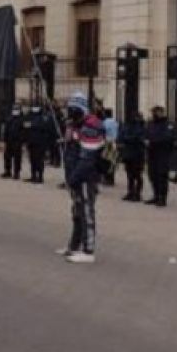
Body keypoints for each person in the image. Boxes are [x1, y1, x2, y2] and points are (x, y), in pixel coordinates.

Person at [57, 92, 105, 263]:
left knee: (86, 212)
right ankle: (74, 246)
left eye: (72, 109)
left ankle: (88, 250)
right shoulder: (75, 125)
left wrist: (74, 178)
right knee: (77, 212)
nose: (69, 113)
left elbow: (87, 158)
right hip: (75, 177)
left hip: (85, 178)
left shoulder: (91, 126)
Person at [144, 106, 177, 207]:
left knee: (161, 175)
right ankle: (156, 195)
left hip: (162, 153)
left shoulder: (168, 125)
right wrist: (146, 141)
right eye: (153, 112)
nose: (154, 114)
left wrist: (153, 141)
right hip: (151, 153)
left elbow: (168, 138)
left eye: (156, 112)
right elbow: (146, 134)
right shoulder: (150, 124)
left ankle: (162, 198)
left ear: (161, 113)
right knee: (152, 175)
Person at [118, 112, 146, 202]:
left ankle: (137, 194)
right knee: (130, 175)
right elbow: (121, 137)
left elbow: (137, 138)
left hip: (137, 154)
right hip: (128, 154)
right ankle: (130, 192)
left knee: (137, 174)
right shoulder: (127, 126)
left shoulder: (141, 127)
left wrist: (127, 138)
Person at [25, 105, 52, 184]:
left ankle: (40, 177)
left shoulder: (43, 118)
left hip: (40, 143)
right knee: (32, 159)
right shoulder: (30, 117)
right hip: (32, 142)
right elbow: (25, 126)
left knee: (39, 160)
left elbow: (46, 129)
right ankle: (33, 176)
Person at [1, 105, 28, 180]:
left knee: (17, 158)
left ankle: (17, 172)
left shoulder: (22, 119)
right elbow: (6, 129)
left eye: (17, 109)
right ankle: (7, 171)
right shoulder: (9, 118)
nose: (15, 111)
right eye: (14, 109)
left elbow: (24, 131)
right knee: (7, 157)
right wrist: (5, 139)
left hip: (17, 141)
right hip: (9, 140)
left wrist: (22, 140)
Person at [100, 109, 119, 185]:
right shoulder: (115, 122)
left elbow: (102, 132)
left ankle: (107, 178)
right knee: (112, 161)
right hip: (114, 142)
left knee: (106, 161)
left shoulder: (105, 122)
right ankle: (112, 179)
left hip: (107, 143)